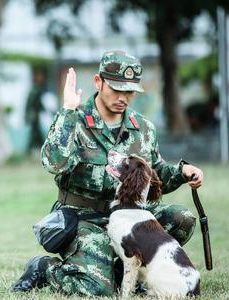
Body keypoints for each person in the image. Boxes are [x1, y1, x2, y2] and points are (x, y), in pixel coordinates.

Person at [12, 50, 204, 297]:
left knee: (182, 218)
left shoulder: (142, 127)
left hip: (130, 216)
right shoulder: (76, 120)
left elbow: (154, 174)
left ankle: (122, 270)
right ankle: (44, 268)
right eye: (116, 89)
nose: (123, 97)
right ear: (98, 82)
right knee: (98, 290)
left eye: (129, 91)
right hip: (86, 218)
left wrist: (182, 172)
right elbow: (53, 163)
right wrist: (68, 111)